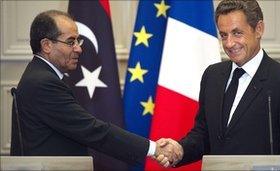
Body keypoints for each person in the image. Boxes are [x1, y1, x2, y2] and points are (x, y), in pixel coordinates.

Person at [10, 10, 175, 166]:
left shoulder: (40, 76)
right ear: (46, 45)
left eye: (78, 41)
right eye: (70, 41)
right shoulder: (43, 83)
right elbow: (93, 130)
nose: (79, 48)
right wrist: (153, 149)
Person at [156, 0, 280, 167]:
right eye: (224, 35)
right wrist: (180, 149)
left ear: (259, 29)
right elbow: (204, 134)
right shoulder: (212, 75)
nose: (229, 43)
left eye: (237, 33)